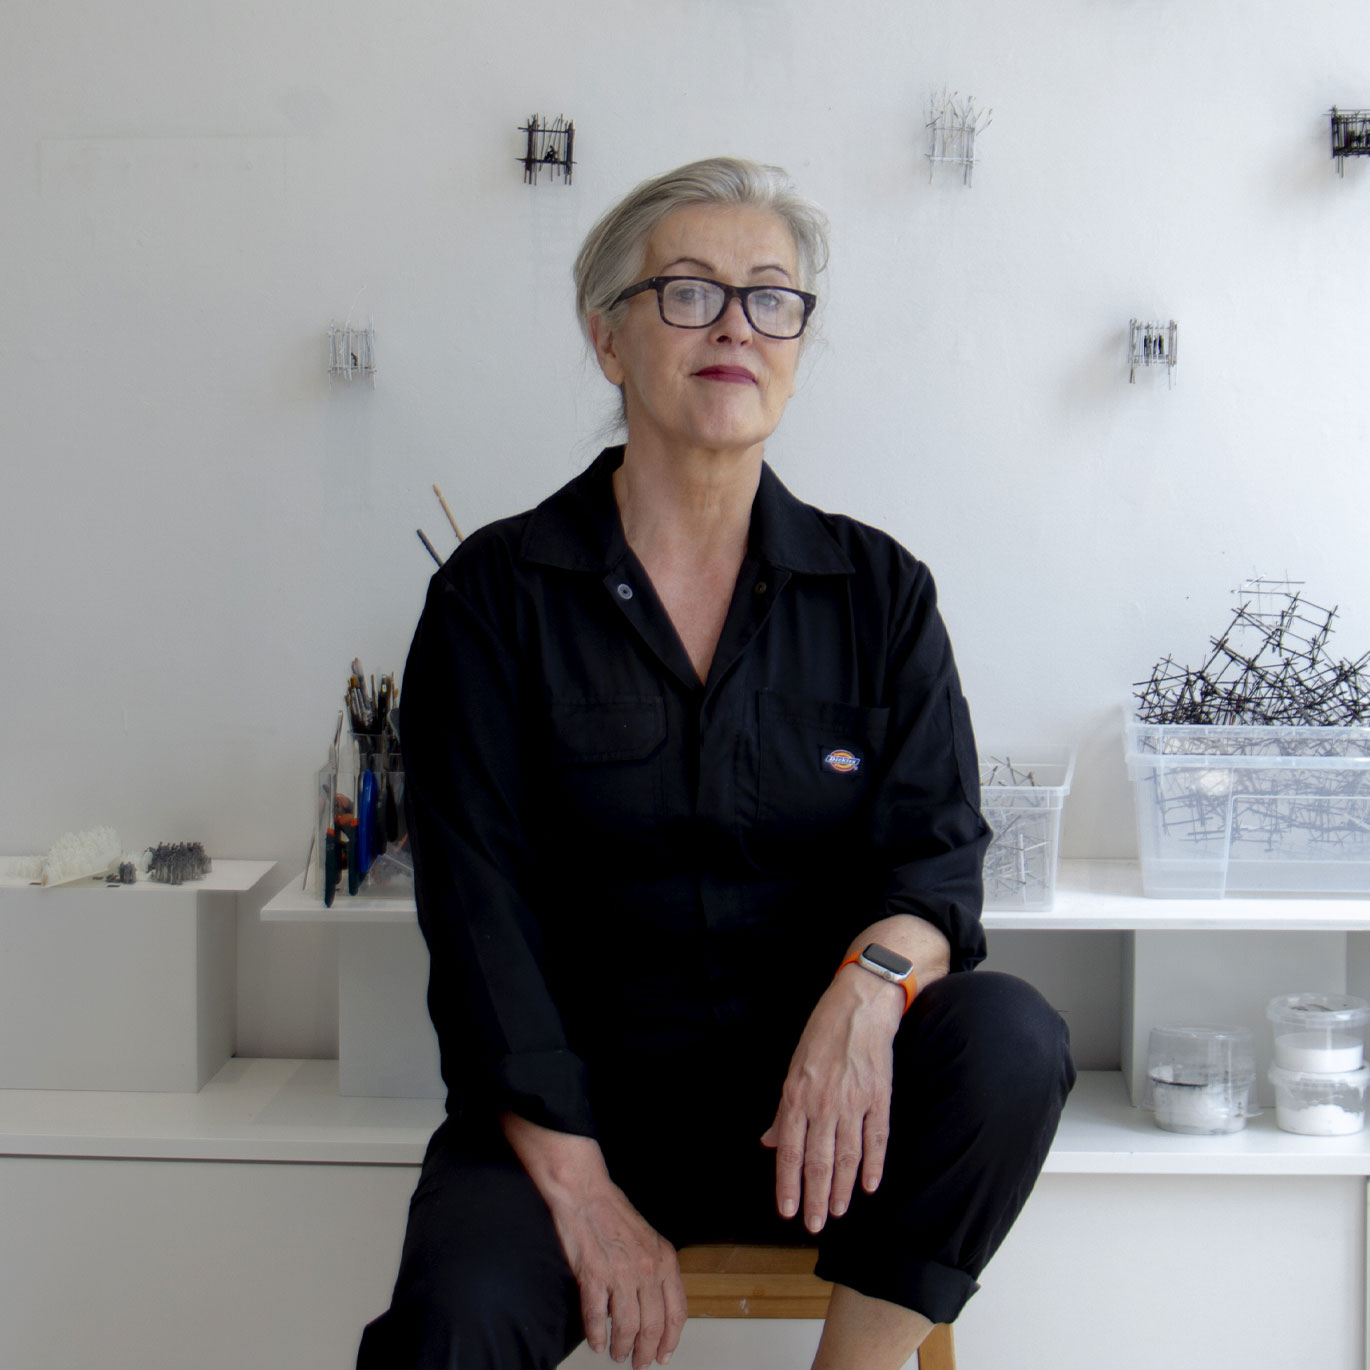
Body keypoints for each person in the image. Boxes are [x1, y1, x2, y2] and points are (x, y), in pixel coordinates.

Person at [357, 157, 1074, 1370]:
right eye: (688, 291)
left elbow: (935, 861)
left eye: (770, 297)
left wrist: (865, 993)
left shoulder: (878, 592)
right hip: (568, 1119)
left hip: (821, 1121)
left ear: (796, 341)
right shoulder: (492, 598)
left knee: (1010, 1037)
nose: (736, 326)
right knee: (450, 1326)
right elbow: (479, 925)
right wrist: (582, 1190)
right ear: (607, 338)